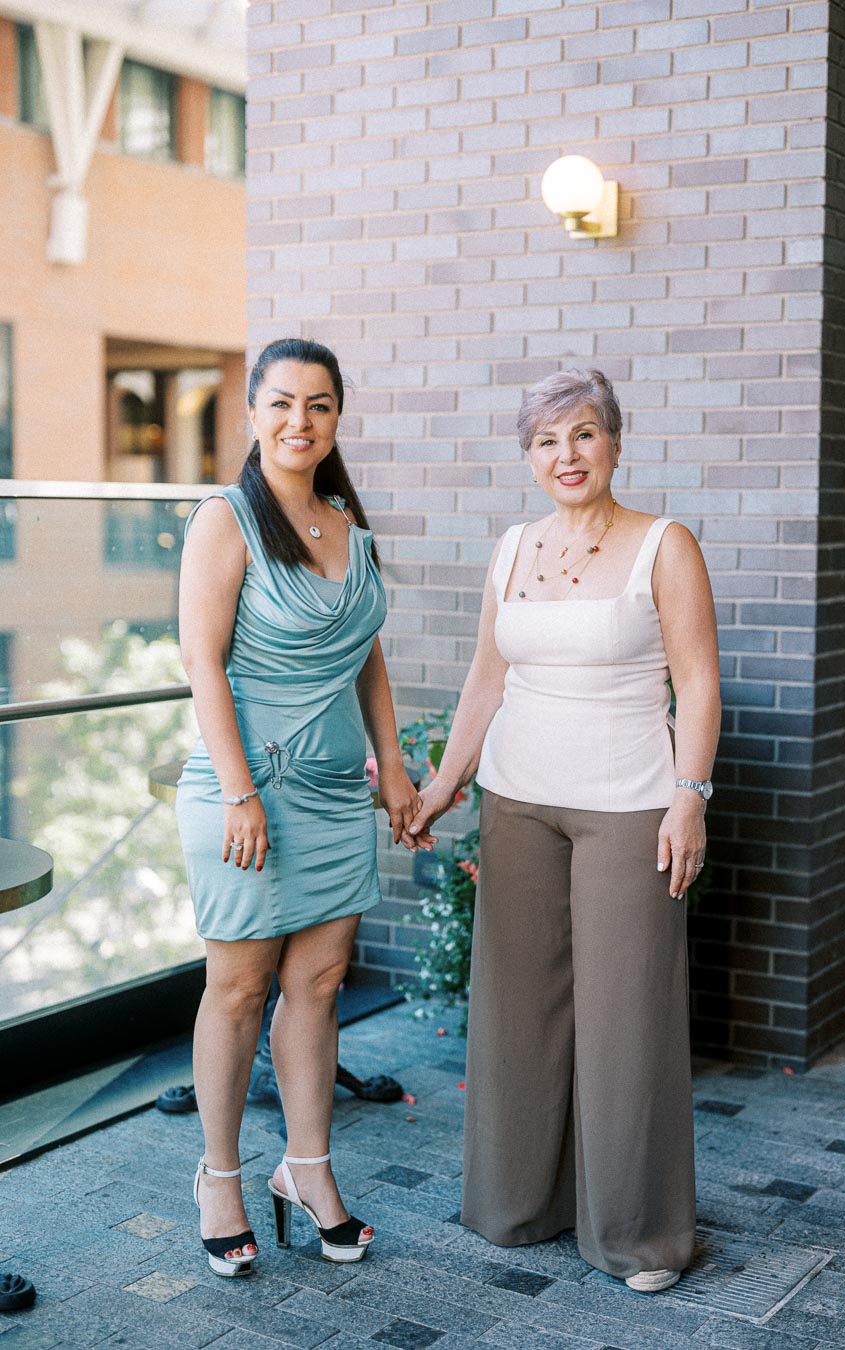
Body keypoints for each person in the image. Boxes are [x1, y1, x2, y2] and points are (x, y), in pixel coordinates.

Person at [410, 368, 720, 1291]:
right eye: (546, 441)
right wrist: (442, 785)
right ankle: (519, 1205)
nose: (566, 456)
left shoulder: (664, 544)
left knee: (627, 1021)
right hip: (517, 800)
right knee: (516, 1010)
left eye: (582, 435)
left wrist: (690, 793)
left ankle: (638, 1236)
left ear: (615, 443)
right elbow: (485, 682)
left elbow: (697, 682)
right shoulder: (512, 549)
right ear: (529, 458)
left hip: (630, 804)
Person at [176, 336, 433, 1277]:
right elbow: (201, 661)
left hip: (332, 794)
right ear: (251, 414)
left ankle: (309, 1171)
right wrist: (241, 791)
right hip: (244, 790)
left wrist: (394, 770)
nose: (299, 421)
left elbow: (366, 654)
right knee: (238, 989)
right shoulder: (226, 520)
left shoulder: (346, 525)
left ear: (336, 419)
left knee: (318, 989)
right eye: (281, 403)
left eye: (318, 405)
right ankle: (218, 1179)